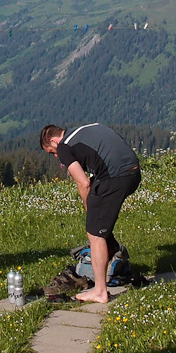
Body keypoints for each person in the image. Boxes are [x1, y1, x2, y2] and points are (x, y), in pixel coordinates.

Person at [40, 123, 141, 303]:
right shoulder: (88, 128)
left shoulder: (64, 147)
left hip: (116, 177)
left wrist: (90, 209)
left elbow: (83, 183)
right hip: (133, 172)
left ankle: (100, 291)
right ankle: (112, 251)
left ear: (54, 142)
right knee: (100, 226)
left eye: (51, 152)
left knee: (95, 233)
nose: (56, 156)